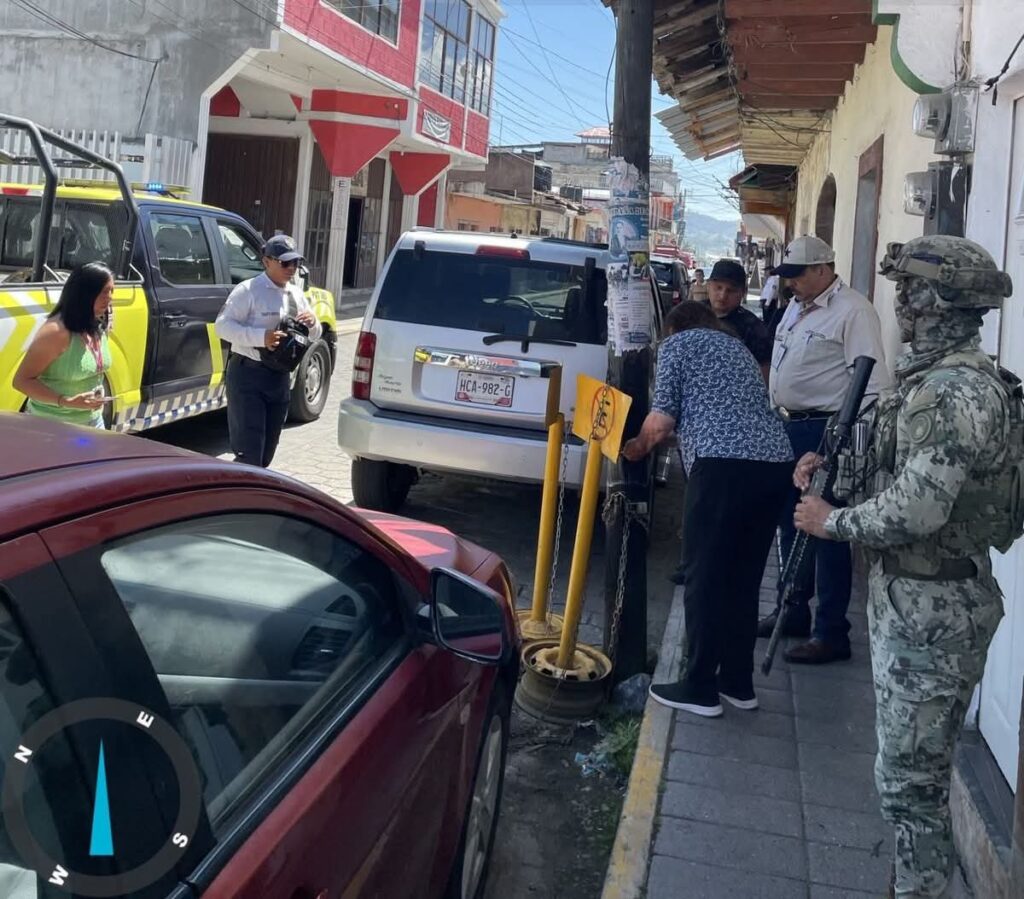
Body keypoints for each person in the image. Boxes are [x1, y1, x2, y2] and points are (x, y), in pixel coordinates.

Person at [792, 236, 1016, 899]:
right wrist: (832, 476)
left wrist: (830, 522)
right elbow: (892, 470)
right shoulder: (934, 380)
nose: (901, 307)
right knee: (909, 778)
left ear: (930, 303)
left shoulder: (951, 390)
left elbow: (918, 508)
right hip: (918, 597)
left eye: (908, 295)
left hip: (932, 606)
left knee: (910, 789)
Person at [622, 301, 793, 717]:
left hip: (723, 467)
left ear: (673, 328)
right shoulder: (738, 350)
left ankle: (699, 685)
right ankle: (737, 682)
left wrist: (635, 449)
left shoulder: (677, 347)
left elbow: (661, 422)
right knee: (744, 579)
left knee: (704, 575)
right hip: (775, 465)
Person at [758, 235, 891, 664]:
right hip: (788, 426)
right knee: (789, 522)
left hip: (824, 431)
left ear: (822, 269)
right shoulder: (797, 308)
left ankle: (831, 630)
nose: (791, 283)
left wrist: (841, 442)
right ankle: (791, 607)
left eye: (797, 275)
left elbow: (870, 385)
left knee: (829, 527)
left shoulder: (853, 311)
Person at [215, 234, 321, 467]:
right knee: (249, 454)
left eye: (295, 263)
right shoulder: (249, 290)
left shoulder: (295, 294)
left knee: (266, 454)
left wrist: (313, 323)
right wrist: (261, 338)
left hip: (279, 378)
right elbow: (222, 326)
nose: (291, 268)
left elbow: (315, 334)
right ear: (266, 262)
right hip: (248, 377)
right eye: (285, 263)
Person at [13, 261, 113, 428]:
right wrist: (65, 401)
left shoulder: (97, 323)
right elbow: (21, 381)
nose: (110, 298)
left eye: (112, 291)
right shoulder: (56, 332)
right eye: (104, 292)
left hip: (93, 422)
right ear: (85, 294)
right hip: (50, 427)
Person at [706, 258, 772, 379]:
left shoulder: (753, 327)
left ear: (742, 293)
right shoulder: (691, 314)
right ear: (708, 286)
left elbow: (764, 369)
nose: (723, 295)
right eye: (718, 287)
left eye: (730, 290)